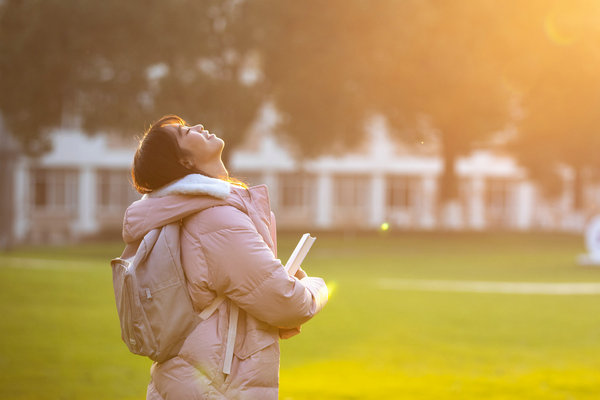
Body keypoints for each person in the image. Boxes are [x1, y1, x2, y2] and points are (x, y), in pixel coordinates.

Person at [122, 115, 329, 400]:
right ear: (184, 162)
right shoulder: (215, 219)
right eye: (184, 133)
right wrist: (316, 287)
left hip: (194, 382)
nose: (196, 126)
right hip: (217, 388)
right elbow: (287, 302)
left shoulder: (189, 213)